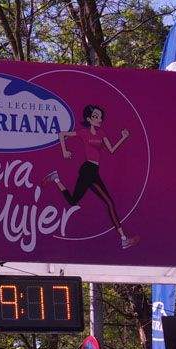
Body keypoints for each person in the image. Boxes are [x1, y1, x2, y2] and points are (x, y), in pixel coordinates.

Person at [45, 104, 138, 250]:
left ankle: (56, 178)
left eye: (100, 116)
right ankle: (123, 239)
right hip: (88, 170)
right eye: (95, 116)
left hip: (94, 171)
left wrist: (123, 138)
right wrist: (64, 151)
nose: (99, 119)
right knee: (108, 203)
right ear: (89, 119)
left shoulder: (101, 133)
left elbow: (112, 150)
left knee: (74, 200)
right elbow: (62, 134)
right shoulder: (84, 132)